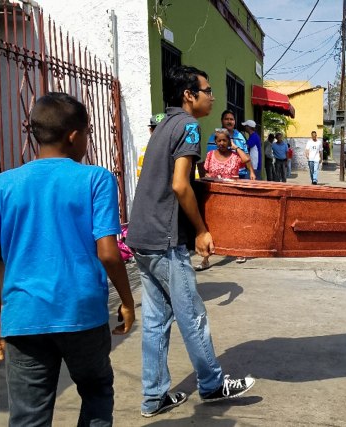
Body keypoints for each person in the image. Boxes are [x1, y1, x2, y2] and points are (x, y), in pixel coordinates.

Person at [0, 92, 135, 426]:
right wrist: (128, 301)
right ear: (74, 135)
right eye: (87, 133)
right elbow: (108, 252)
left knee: (28, 414)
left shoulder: (3, 184)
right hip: (82, 312)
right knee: (97, 392)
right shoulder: (96, 179)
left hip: (23, 314)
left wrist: (0, 314)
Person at [125, 65, 255, 417]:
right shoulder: (189, 126)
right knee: (192, 314)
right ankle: (212, 384)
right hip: (164, 237)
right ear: (189, 95)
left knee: (155, 320)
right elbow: (181, 185)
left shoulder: (164, 124)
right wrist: (200, 230)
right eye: (207, 90)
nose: (212, 96)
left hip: (141, 236)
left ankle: (154, 397)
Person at [194, 128, 251, 271]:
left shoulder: (235, 156)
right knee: (210, 226)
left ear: (229, 141)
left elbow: (246, 160)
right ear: (215, 141)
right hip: (214, 196)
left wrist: (236, 147)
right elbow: (206, 172)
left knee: (236, 223)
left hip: (233, 196)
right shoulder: (210, 155)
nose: (221, 143)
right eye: (218, 140)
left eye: (224, 140)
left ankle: (239, 251)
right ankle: (206, 258)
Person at [207, 110, 256, 181]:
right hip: (221, 177)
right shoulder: (214, 137)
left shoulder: (240, 136)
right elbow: (211, 158)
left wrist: (251, 172)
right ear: (222, 121)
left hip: (241, 175)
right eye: (226, 119)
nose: (229, 122)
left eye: (231, 119)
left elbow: (246, 156)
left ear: (234, 121)